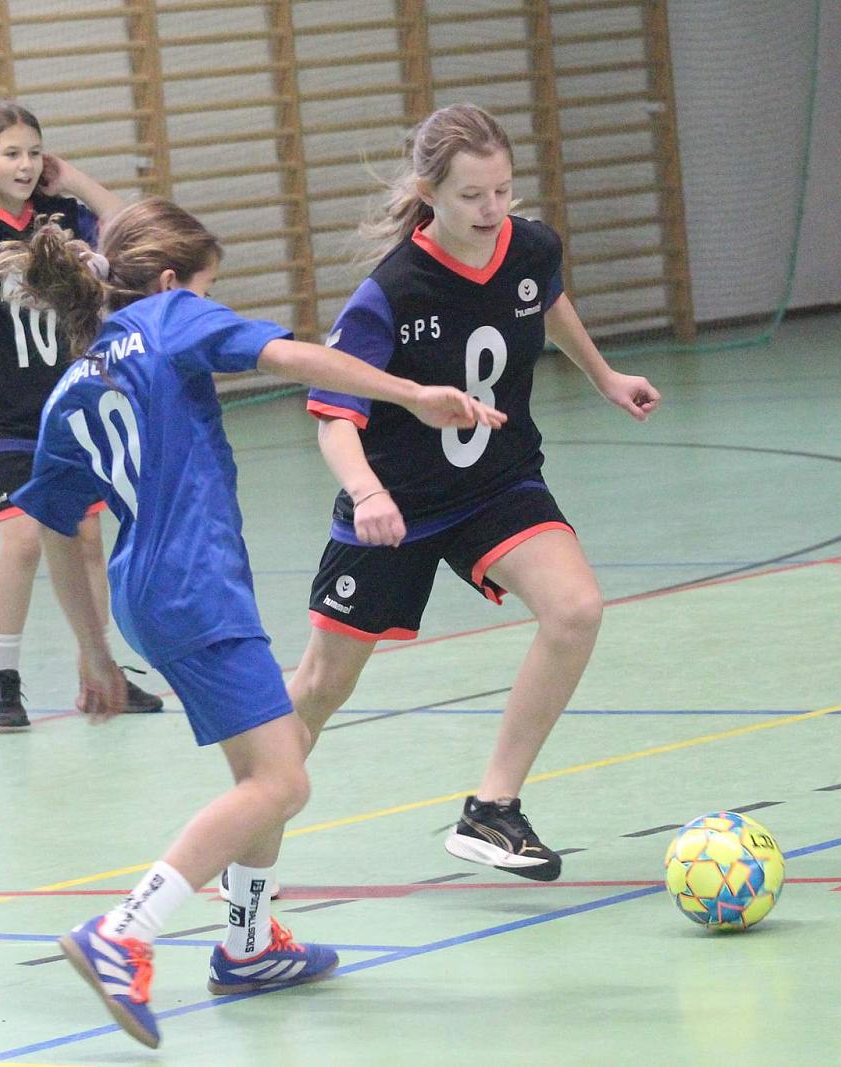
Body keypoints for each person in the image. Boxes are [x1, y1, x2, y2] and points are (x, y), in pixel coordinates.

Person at [0, 197, 503, 1048]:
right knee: (282, 782)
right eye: (207, 288)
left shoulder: (73, 386)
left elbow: (61, 530)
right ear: (172, 281)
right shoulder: (169, 318)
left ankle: (249, 944)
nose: (209, 304)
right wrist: (411, 393)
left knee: (270, 759)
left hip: (145, 592)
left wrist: (95, 651)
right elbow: (293, 356)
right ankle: (124, 930)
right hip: (195, 586)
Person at [276, 103, 663, 885]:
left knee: (575, 609)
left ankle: (492, 808)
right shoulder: (392, 292)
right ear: (429, 193)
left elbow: (544, 299)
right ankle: (247, 825)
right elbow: (334, 417)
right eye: (471, 196)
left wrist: (604, 375)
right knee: (321, 686)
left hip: (496, 481)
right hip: (396, 503)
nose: (492, 210)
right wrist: (367, 492)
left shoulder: (530, 246)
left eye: (502, 191)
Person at [0, 99, 161, 727]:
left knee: (87, 541)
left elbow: (131, 232)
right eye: (10, 153)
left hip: (63, 409)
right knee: (22, 539)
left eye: (34, 152)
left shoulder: (60, 217)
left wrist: (75, 180)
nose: (25, 164)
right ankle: (1, 680)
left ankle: (100, 668)